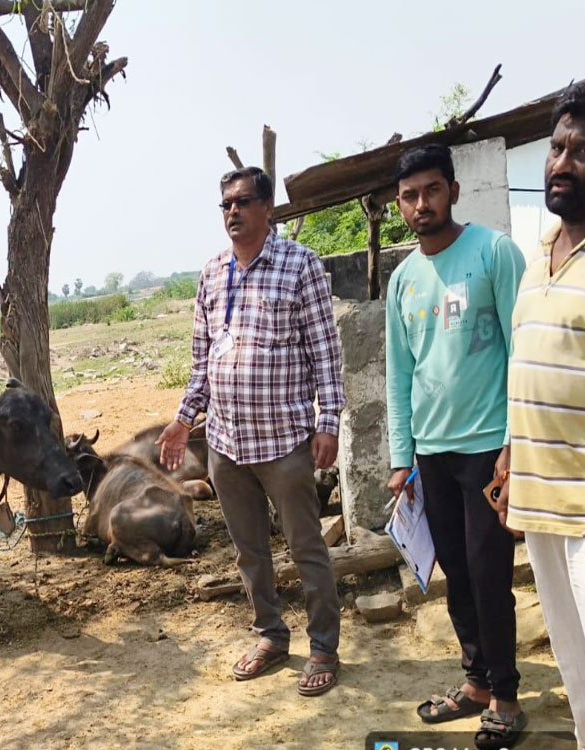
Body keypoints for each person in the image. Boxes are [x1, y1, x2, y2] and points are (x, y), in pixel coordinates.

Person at [157, 167, 346, 696]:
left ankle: (324, 646)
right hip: (226, 444)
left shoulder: (299, 265)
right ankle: (270, 635)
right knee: (248, 550)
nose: (232, 213)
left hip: (284, 439)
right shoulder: (213, 272)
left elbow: (325, 354)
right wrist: (182, 420)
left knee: (306, 547)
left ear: (268, 208)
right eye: (225, 205)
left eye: (242, 202)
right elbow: (202, 363)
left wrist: (327, 423)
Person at [499, 78, 585, 750]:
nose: (560, 162)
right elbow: (539, 362)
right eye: (556, 147)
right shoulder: (539, 257)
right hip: (545, 514)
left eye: (582, 151)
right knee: (583, 693)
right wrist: (513, 451)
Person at [384, 144, 527, 747]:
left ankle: (508, 698)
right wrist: (400, 457)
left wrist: (518, 442)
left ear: (454, 191)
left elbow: (525, 351)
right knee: (454, 573)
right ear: (400, 204)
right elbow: (398, 372)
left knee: (490, 572)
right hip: (431, 454)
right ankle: (474, 683)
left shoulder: (494, 253)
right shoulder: (402, 279)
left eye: (432, 190)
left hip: (489, 448)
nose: (422, 204)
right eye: (411, 195)